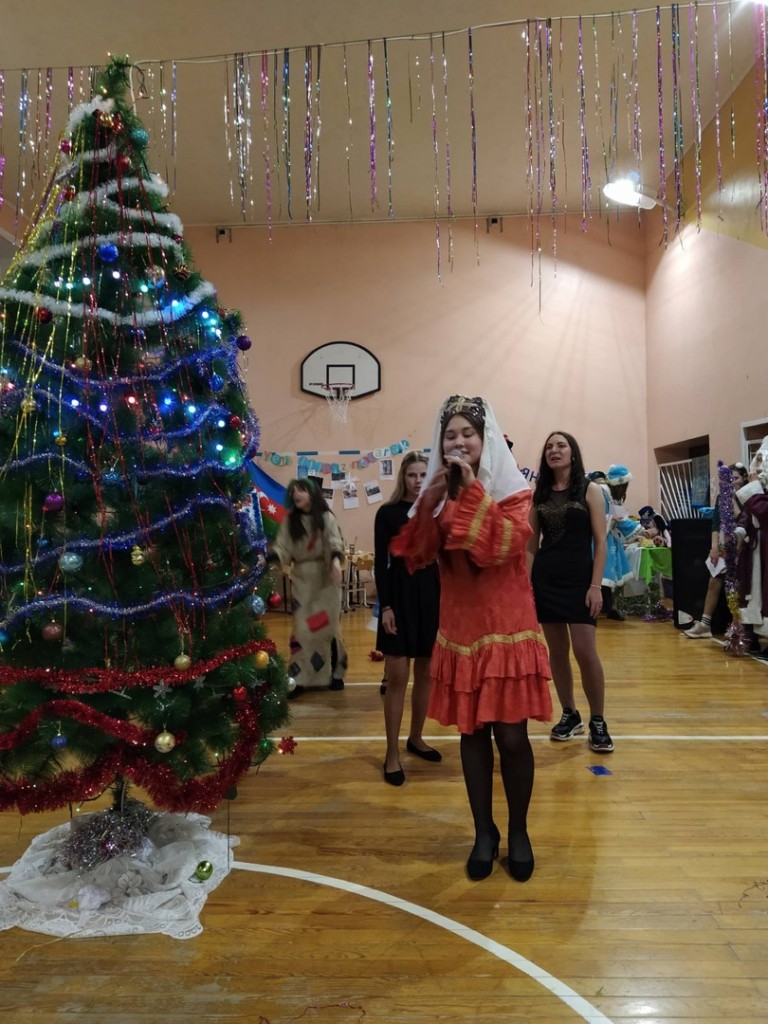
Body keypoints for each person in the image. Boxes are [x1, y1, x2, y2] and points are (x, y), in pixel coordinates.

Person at [391, 396, 552, 883]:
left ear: (485, 440)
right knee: (472, 734)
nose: (459, 442)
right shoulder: (439, 490)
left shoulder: (512, 490)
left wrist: (471, 492)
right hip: (461, 626)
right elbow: (417, 554)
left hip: (508, 625)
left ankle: (519, 831)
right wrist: (432, 501)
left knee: (512, 736)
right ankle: (485, 832)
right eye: (450, 435)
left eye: (468, 434)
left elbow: (502, 547)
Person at [528, 432, 613, 753]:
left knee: (585, 651)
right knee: (558, 652)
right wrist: (526, 586)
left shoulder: (589, 489)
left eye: (561, 445)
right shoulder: (539, 493)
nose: (554, 450)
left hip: (580, 581)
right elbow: (531, 546)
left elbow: (601, 542)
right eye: (549, 446)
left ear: (572, 453)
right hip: (546, 580)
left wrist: (595, 586)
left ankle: (598, 720)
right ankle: (569, 713)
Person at [375, 451, 441, 786]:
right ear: (403, 477)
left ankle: (416, 738)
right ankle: (391, 754)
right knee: (398, 676)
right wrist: (386, 606)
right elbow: (380, 564)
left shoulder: (438, 510)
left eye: (423, 475)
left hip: (431, 594)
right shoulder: (387, 513)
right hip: (399, 595)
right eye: (412, 475)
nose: (417, 480)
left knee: (426, 673)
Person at [272, 478, 348, 698]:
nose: (296, 494)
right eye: (293, 491)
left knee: (328, 628)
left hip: (326, 579)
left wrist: (335, 561)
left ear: (312, 494)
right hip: (302, 581)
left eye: (301, 491)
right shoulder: (290, 521)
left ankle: (335, 673)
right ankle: (300, 678)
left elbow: (334, 542)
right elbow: (282, 547)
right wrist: (270, 557)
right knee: (303, 629)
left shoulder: (326, 518)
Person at [684, 463, 749, 639]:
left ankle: (736, 627)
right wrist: (714, 547)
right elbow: (716, 523)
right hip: (723, 544)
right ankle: (705, 624)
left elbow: (744, 520)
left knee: (735, 586)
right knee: (714, 581)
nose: (732, 482)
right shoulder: (722, 496)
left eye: (736, 478)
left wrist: (733, 500)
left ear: (744, 478)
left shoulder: (749, 496)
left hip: (743, 544)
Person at [587, 469, 632, 620]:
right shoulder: (602, 492)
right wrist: (612, 520)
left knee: (607, 575)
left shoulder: (611, 496)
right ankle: (601, 607)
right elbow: (602, 516)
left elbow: (621, 517)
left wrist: (640, 530)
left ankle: (607, 607)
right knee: (601, 573)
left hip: (609, 539)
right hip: (598, 539)